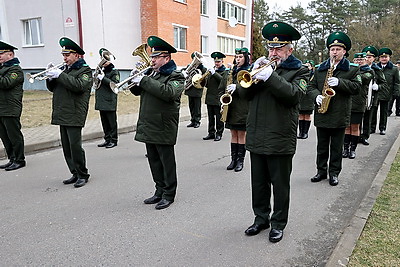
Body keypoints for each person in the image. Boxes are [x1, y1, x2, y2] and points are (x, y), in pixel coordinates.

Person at [238, 21, 308, 243]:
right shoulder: (263, 69)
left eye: (279, 48)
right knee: (258, 183)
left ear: (290, 49)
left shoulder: (301, 70)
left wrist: (271, 77)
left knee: (280, 184)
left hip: (280, 136)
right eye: (271, 48)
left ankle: (278, 223)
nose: (274, 52)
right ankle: (261, 219)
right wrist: (252, 74)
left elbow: (294, 95)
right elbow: (243, 94)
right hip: (257, 134)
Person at [129, 36, 184, 210]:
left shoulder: (176, 76)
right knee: (153, 160)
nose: (151, 60)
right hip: (149, 124)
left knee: (166, 162)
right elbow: (138, 92)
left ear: (166, 58)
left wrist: (144, 80)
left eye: (155, 57)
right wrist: (134, 81)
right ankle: (159, 190)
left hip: (164, 125)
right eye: (151, 57)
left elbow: (168, 93)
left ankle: (169, 194)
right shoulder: (151, 74)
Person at [309, 31, 361, 186]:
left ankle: (334, 173)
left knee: (336, 147)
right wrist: (316, 96)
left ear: (344, 51)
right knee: (322, 146)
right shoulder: (320, 68)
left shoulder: (352, 69)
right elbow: (311, 86)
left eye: (338, 49)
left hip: (340, 113)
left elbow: (357, 87)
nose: (335, 52)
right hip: (322, 112)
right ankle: (321, 171)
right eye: (332, 49)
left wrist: (340, 83)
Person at [46, 37, 92, 188]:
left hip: (74, 112)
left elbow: (78, 86)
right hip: (62, 111)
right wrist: (50, 77)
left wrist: (60, 75)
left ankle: (83, 174)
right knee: (66, 146)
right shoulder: (66, 70)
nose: (64, 58)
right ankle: (74, 172)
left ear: (77, 55)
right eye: (63, 55)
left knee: (75, 146)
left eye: (67, 55)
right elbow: (54, 88)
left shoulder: (85, 71)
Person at [219, 47, 251, 172]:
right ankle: (233, 159)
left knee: (241, 135)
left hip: (243, 107)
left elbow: (250, 89)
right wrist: (221, 102)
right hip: (231, 107)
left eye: (241, 57)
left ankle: (240, 161)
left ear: (245, 58)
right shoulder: (230, 72)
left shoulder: (248, 71)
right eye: (236, 57)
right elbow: (221, 89)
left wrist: (237, 87)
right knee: (233, 134)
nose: (238, 59)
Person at [0, 41, 26, 171]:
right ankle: (12, 158)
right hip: (1, 107)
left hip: (11, 107)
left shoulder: (16, 69)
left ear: (10, 54)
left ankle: (20, 159)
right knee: (4, 135)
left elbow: (6, 83)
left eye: (1, 53)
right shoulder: (2, 68)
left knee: (14, 135)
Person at [343, 53, 373, 159]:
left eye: (361, 60)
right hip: (348, 102)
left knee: (355, 127)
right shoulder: (349, 69)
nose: (359, 62)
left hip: (359, 102)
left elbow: (364, 79)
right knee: (347, 127)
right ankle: (345, 149)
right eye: (357, 60)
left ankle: (353, 149)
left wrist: (355, 71)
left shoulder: (369, 71)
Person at [359, 46, 388, 145]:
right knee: (358, 118)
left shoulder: (377, 69)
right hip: (359, 97)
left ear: (374, 58)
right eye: (365, 57)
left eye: (370, 57)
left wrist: (378, 87)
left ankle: (365, 136)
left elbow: (384, 84)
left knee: (368, 118)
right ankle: (356, 135)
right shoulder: (357, 68)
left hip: (371, 98)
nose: (367, 59)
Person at [95, 48, 120, 149]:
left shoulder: (115, 72)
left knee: (111, 122)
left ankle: (113, 140)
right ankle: (107, 139)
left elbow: (115, 84)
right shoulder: (101, 71)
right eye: (102, 59)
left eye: (106, 60)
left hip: (109, 100)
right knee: (104, 122)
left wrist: (103, 78)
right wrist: (96, 77)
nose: (103, 62)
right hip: (101, 100)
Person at [371, 48, 400, 134]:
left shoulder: (394, 69)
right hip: (375, 93)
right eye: (382, 57)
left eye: (386, 57)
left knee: (384, 112)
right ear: (379, 58)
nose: (384, 59)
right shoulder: (375, 67)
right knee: (373, 112)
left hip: (387, 93)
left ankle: (382, 128)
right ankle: (372, 128)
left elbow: (397, 82)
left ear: (389, 58)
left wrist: (396, 93)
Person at [202, 51, 226, 141]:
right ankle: (211, 132)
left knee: (219, 118)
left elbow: (222, 81)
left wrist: (214, 73)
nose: (217, 63)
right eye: (215, 62)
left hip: (218, 98)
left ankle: (219, 133)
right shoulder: (212, 71)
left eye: (218, 62)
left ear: (222, 62)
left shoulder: (224, 72)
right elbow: (208, 84)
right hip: (210, 98)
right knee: (210, 118)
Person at [184, 53, 204, 128]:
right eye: (194, 59)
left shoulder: (202, 68)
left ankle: (197, 121)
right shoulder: (189, 67)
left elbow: (204, 78)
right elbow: (186, 75)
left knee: (197, 107)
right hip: (190, 89)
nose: (194, 61)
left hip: (197, 89)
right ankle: (192, 120)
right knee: (191, 106)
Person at [298, 59, 315, 139]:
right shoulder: (302, 73)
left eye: (309, 65)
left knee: (307, 115)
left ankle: (305, 132)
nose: (307, 67)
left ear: (312, 67)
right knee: (301, 115)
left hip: (309, 97)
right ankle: (301, 132)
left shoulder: (313, 75)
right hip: (302, 96)